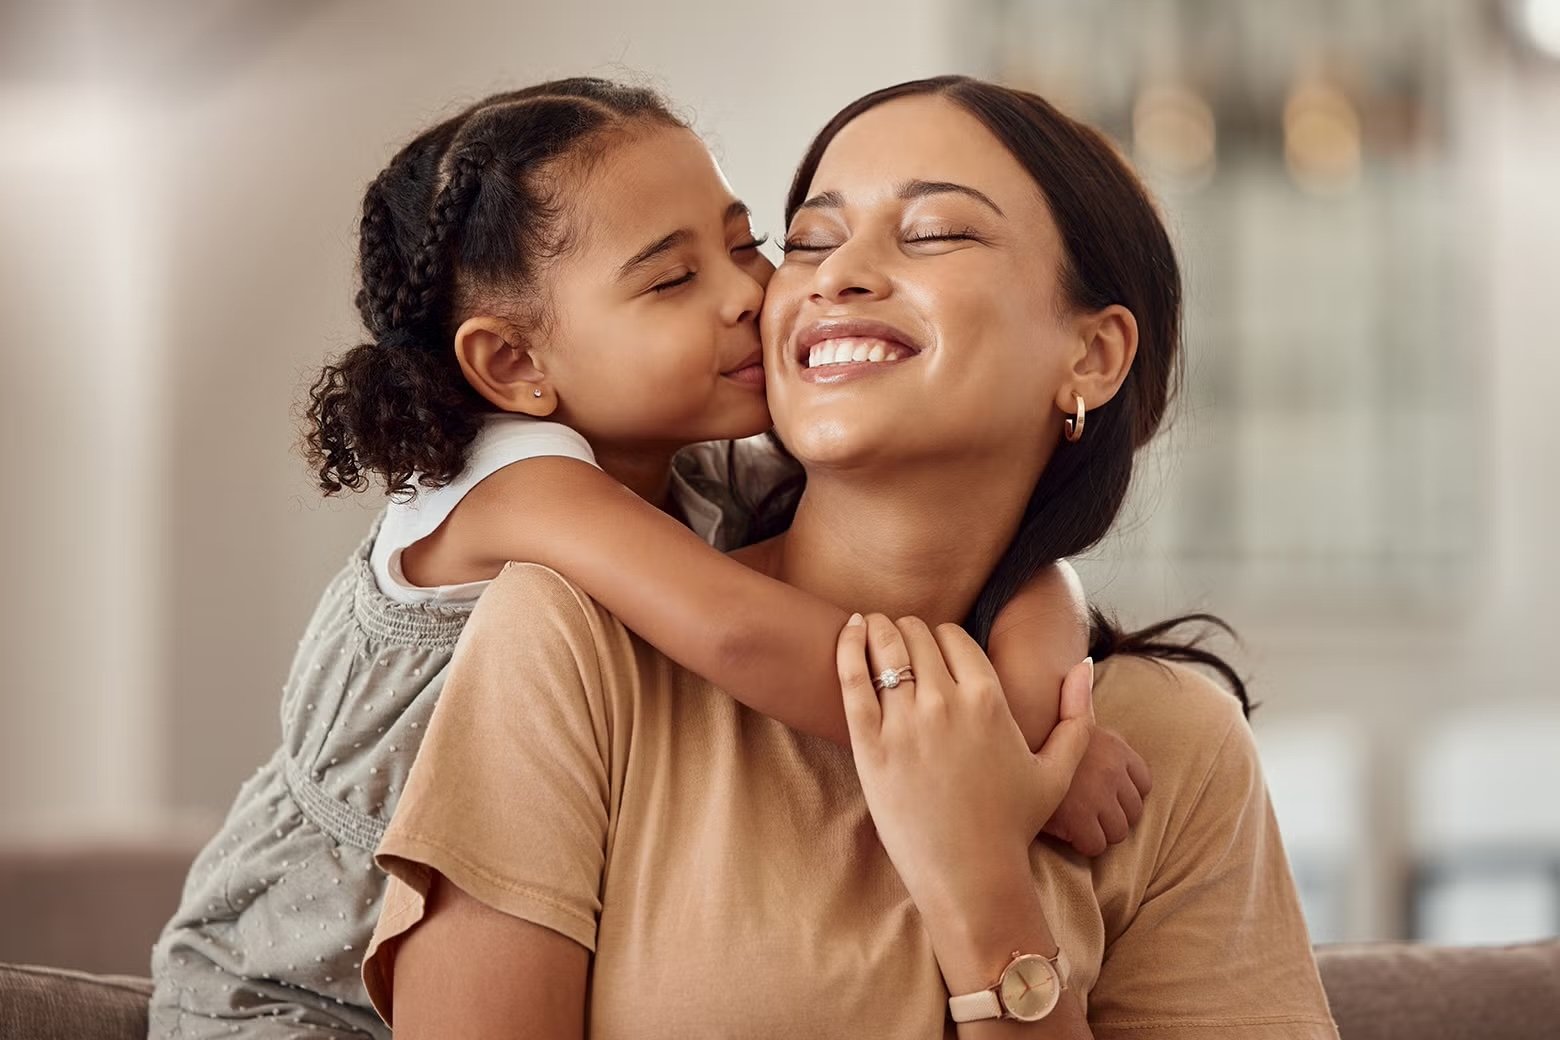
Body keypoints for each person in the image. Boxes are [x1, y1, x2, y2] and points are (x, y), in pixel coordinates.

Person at [149, 77, 1143, 1039]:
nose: (748, 295)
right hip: (285, 994)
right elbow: (745, 631)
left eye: (748, 243)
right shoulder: (519, 487)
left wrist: (1038, 659)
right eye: (672, 279)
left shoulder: (703, 473)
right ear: (515, 364)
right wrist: (997, 746)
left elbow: (1004, 556)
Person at [362, 75, 1339, 1038]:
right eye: (813, 239)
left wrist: (982, 891)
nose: (830, 275)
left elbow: (1031, 576)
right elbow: (739, 629)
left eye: (936, 231)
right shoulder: (570, 636)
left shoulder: (1170, 745)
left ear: (1091, 355)